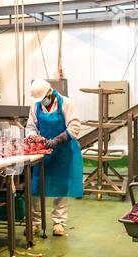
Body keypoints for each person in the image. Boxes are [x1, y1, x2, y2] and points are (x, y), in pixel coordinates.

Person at [26, 79, 83, 237]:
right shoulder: (35, 106)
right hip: (43, 153)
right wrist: (34, 138)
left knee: (61, 187)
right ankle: (35, 222)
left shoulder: (66, 103)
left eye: (44, 98)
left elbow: (74, 127)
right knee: (36, 188)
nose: (43, 101)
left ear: (50, 92)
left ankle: (59, 222)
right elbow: (31, 126)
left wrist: (57, 140)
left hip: (63, 152)